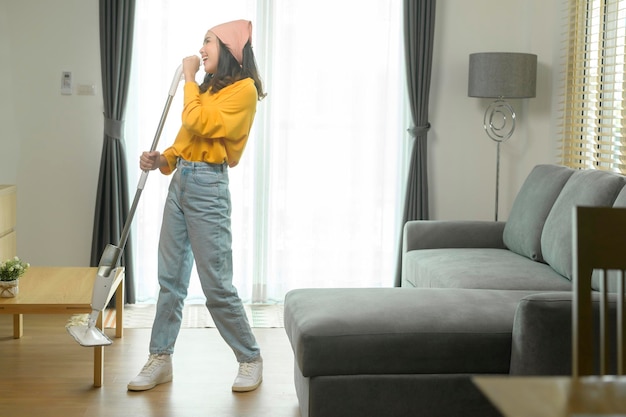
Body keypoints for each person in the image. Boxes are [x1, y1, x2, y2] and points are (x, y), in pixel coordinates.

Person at [127, 19, 266, 393]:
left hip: (208, 189)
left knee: (216, 286)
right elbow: (187, 136)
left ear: (231, 50)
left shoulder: (245, 90)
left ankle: (250, 357)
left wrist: (188, 78)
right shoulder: (205, 89)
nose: (201, 49)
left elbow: (199, 120)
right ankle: (161, 358)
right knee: (170, 280)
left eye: (208, 42)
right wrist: (162, 160)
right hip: (181, 183)